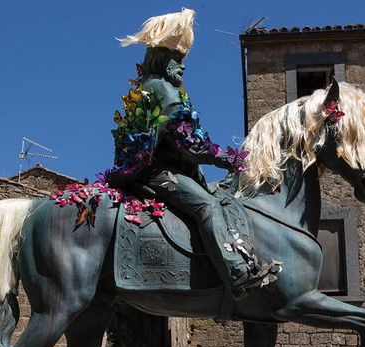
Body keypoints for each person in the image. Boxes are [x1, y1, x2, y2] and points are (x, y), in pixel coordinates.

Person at [106, 9, 280, 291]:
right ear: (163, 59)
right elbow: (190, 146)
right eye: (177, 59)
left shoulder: (147, 87)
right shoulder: (164, 90)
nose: (183, 66)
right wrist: (232, 160)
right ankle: (237, 274)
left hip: (152, 171)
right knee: (208, 207)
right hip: (160, 174)